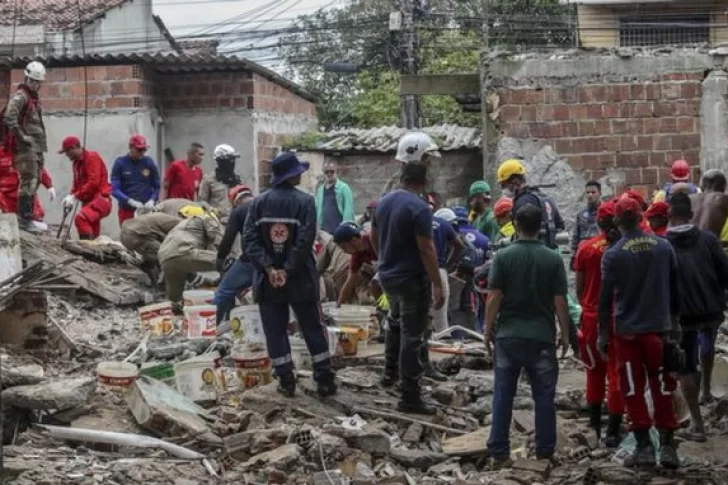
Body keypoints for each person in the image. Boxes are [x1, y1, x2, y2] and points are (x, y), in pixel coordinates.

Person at [243, 151, 336, 398]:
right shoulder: (305, 202)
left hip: (268, 279)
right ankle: (324, 378)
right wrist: (288, 267)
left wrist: (270, 268)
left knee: (275, 329)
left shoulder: (258, 203)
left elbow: (250, 241)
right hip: (301, 277)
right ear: (292, 175)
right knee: (313, 327)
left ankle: (285, 379)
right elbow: (305, 240)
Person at [598, 196, 681, 469]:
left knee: (632, 387)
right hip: (660, 329)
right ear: (641, 217)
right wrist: (675, 326)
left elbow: (605, 299)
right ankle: (668, 447)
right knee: (663, 385)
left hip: (629, 332)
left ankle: (644, 447)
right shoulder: (663, 247)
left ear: (618, 220)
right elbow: (675, 290)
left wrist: (602, 334)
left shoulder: (613, 254)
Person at [485, 203, 571, 464]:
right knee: (544, 397)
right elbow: (560, 301)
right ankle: (545, 451)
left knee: (503, 393)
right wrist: (565, 334)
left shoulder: (503, 256)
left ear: (517, 224)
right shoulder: (553, 258)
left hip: (508, 336)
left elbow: (494, 297)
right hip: (541, 338)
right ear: (541, 227)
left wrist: (487, 330)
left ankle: (499, 451)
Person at [372, 161, 445, 414]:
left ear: (402, 177)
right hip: (412, 278)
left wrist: (383, 260)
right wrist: (437, 283)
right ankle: (410, 395)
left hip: (388, 275)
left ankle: (389, 373)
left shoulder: (383, 202)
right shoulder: (419, 208)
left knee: (394, 322)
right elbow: (426, 248)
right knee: (412, 335)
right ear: (424, 182)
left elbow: (373, 236)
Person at [666, 193, 728, 440]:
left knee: (685, 366)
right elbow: (725, 272)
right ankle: (705, 391)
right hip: (711, 309)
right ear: (691, 215)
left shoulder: (664, 246)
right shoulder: (709, 240)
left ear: (669, 216)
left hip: (683, 315)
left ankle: (697, 423)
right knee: (707, 345)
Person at [573, 200, 624, 447]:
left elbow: (579, 288)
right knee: (616, 373)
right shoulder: (625, 249)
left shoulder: (587, 248)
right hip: (619, 318)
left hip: (592, 318)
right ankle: (614, 430)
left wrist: (588, 305)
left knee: (594, 371)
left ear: (597, 221)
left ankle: (594, 424)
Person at [2, 61, 48, 233]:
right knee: (28, 181)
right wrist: (22, 137)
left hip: (36, 147)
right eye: (32, 81)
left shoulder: (34, 99)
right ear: (27, 79)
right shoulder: (21, 96)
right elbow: (9, 118)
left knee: (35, 180)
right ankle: (24, 219)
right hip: (25, 149)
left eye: (38, 82)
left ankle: (29, 217)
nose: (35, 84)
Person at [158, 206, 223, 306]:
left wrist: (211, 282)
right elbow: (218, 240)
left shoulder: (180, 226)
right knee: (227, 262)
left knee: (175, 301)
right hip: (184, 251)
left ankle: (177, 311)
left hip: (165, 258)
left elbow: (190, 274)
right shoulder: (208, 217)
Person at [497, 159, 564, 249]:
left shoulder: (522, 202)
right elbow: (560, 226)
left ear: (515, 181)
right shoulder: (545, 198)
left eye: (504, 185)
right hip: (550, 252)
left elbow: (522, 234)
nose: (504, 189)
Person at [214, 185, 255, 325]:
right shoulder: (266, 204)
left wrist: (220, 258)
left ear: (236, 201)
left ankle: (210, 327)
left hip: (250, 261)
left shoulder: (239, 211)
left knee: (224, 291)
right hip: (273, 263)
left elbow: (228, 238)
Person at [58, 136, 112, 240]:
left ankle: (86, 250)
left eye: (67, 151)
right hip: (88, 203)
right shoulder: (76, 164)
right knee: (94, 235)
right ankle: (94, 252)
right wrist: (70, 196)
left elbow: (93, 182)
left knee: (81, 219)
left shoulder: (92, 157)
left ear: (74, 147)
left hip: (101, 200)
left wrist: (75, 196)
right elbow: (76, 185)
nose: (66, 154)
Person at [120, 211, 182, 285]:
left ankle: (152, 281)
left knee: (152, 257)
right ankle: (166, 286)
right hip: (137, 235)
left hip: (126, 234)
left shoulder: (171, 220)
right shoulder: (181, 225)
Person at [111, 134, 160, 225]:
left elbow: (157, 186)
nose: (142, 153)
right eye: (139, 150)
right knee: (128, 235)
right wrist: (129, 201)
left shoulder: (149, 162)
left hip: (146, 210)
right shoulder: (120, 163)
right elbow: (114, 189)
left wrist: (152, 200)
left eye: (144, 150)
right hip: (127, 211)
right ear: (131, 147)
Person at [431, 208, 465, 335]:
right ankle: (442, 347)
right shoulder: (443, 224)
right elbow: (460, 245)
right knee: (441, 321)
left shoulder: (415, 222)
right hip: (439, 271)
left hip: (418, 273)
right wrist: (447, 264)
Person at [0, 153, 54, 225]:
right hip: (6, 200)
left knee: (34, 219)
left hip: (25, 196)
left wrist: (49, 186)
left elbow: (36, 168)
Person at [332, 222, 377, 306]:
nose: (343, 251)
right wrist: (339, 305)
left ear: (354, 240)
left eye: (344, 247)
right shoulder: (357, 255)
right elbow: (349, 282)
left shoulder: (373, 239)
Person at [199, 144, 241, 219]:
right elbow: (202, 201)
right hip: (216, 223)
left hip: (234, 222)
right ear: (221, 161)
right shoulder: (208, 180)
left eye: (233, 160)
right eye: (230, 160)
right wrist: (211, 211)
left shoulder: (236, 180)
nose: (232, 163)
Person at [315, 161, 355, 234]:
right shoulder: (320, 190)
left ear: (336, 172)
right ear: (323, 173)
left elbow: (348, 210)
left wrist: (345, 229)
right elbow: (317, 210)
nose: (329, 174)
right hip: (324, 232)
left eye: (332, 171)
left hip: (339, 231)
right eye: (326, 172)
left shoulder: (344, 188)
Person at [317, 229, 353, 303]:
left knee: (342, 303)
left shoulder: (330, 240)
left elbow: (319, 266)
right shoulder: (360, 237)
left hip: (341, 270)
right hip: (357, 268)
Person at [570, 180, 601, 259]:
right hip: (584, 252)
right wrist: (573, 255)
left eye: (593, 192)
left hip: (600, 250)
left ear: (599, 193)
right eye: (587, 192)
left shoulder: (605, 211)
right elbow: (576, 235)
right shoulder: (581, 214)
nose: (590, 195)